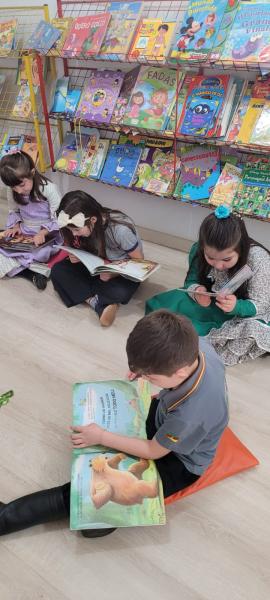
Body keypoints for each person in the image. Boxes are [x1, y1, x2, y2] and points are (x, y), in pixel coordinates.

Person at [0, 310, 228, 538]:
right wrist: (143, 371)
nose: (145, 379)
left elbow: (153, 451)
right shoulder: (196, 346)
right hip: (166, 417)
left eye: (151, 377)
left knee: (86, 493)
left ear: (179, 372)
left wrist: (101, 437)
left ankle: (5, 520)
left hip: (178, 461)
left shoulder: (189, 415)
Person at [145, 205, 270, 366]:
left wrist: (236, 306)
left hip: (247, 308)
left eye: (226, 260)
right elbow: (190, 281)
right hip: (215, 301)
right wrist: (196, 290)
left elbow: (262, 305)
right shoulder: (199, 250)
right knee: (169, 313)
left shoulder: (259, 261)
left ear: (241, 249)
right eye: (211, 258)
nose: (218, 266)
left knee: (252, 329)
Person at [51, 190, 144, 326]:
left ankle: (93, 296)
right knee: (58, 270)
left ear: (93, 220)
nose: (73, 233)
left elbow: (140, 263)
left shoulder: (120, 230)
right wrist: (77, 255)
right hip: (96, 266)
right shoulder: (81, 228)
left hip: (120, 272)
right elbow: (83, 248)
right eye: (71, 230)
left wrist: (113, 274)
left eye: (76, 230)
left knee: (120, 292)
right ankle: (97, 303)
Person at [0, 151, 61, 290]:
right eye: (14, 187)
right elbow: (14, 211)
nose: (19, 191)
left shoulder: (48, 189)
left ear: (32, 172)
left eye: (22, 185)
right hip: (24, 230)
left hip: (46, 234)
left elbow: (58, 218)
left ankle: (30, 268)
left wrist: (43, 233)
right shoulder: (13, 190)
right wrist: (15, 226)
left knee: (40, 253)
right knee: (5, 242)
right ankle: (32, 273)